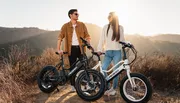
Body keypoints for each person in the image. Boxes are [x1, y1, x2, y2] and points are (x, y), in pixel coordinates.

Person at [57, 9, 91, 92]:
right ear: (70, 15)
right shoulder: (65, 26)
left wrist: (88, 44)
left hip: (81, 49)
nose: (77, 15)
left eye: (78, 13)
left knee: (84, 66)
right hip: (71, 49)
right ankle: (73, 85)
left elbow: (87, 36)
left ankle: (86, 85)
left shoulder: (82, 25)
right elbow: (60, 37)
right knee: (72, 68)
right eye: (76, 14)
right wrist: (58, 49)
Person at [97, 12, 125, 96]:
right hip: (108, 52)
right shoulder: (106, 27)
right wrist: (99, 49)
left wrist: (128, 44)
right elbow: (102, 39)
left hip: (117, 52)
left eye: (110, 16)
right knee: (103, 68)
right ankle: (108, 86)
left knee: (116, 71)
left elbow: (123, 40)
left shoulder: (120, 28)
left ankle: (113, 89)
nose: (108, 17)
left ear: (114, 18)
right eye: (108, 16)